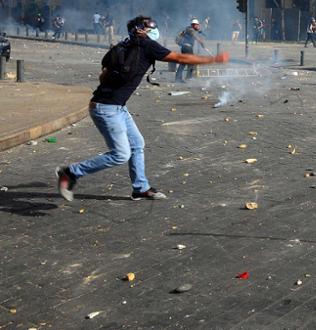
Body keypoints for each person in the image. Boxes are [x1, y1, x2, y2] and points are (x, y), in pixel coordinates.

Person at [55, 15, 230, 202]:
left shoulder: (124, 44)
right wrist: (214, 59)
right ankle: (70, 173)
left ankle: (140, 188)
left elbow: (103, 75)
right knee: (120, 154)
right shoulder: (147, 45)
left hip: (113, 106)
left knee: (137, 144)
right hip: (107, 108)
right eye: (150, 27)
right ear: (140, 29)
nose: (153, 29)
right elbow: (180, 57)